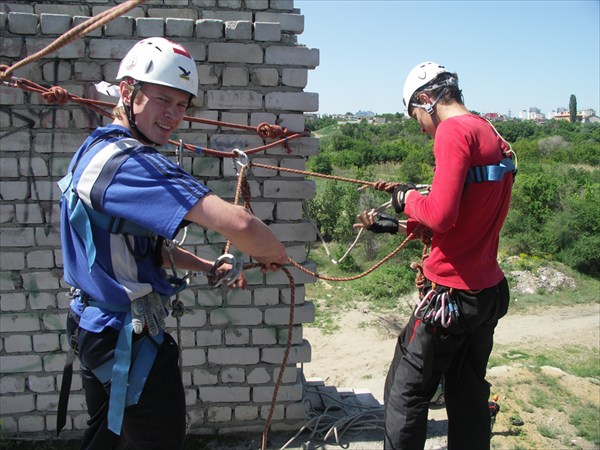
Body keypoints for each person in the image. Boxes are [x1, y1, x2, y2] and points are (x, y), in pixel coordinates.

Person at [57, 37, 287, 450]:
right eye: (162, 99)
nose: (173, 115)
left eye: (182, 105)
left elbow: (141, 245)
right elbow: (240, 223)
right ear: (128, 91)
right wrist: (274, 252)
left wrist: (206, 266)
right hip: (124, 336)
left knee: (110, 437)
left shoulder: (97, 147)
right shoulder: (131, 165)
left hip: (95, 326)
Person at [355, 61, 514, 449]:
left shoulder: (453, 131)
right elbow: (465, 219)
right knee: (467, 392)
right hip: (487, 293)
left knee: (405, 393)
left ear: (426, 100)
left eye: (417, 118)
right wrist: (394, 224)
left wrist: (408, 198)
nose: (423, 129)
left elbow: (441, 215)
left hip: (451, 299)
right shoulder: (491, 134)